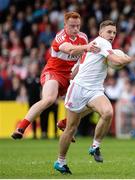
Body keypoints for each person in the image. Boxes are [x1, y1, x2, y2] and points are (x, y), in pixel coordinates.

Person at [54, 20, 134, 174]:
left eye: (114, 33)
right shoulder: (103, 43)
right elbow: (116, 60)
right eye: (109, 32)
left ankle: (95, 146)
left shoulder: (94, 44)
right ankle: (60, 161)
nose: (111, 35)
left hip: (95, 89)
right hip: (79, 89)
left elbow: (77, 67)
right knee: (71, 128)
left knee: (108, 112)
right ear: (101, 33)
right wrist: (129, 59)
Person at [11, 11, 100, 140]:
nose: (75, 29)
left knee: (91, 102)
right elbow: (70, 49)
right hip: (53, 72)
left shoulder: (83, 38)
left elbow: (81, 59)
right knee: (49, 99)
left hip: (70, 76)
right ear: (65, 25)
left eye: (78, 26)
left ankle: (65, 123)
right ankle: (21, 127)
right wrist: (87, 47)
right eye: (72, 26)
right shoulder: (60, 37)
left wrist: (76, 73)